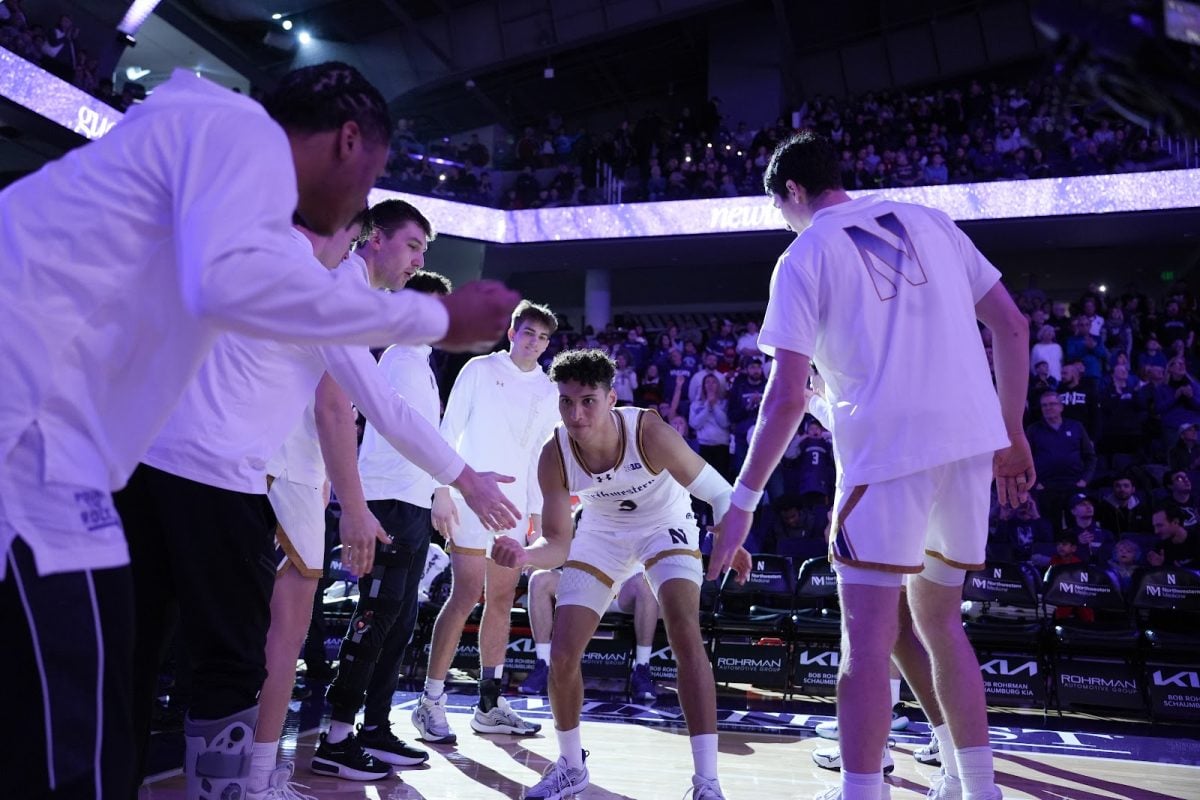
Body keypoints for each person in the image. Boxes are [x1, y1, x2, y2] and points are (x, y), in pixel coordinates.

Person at [0, 61, 518, 800]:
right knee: (180, 675)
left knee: (112, 673)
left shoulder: (227, 180)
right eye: (368, 182)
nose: (360, 209)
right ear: (347, 141)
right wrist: (437, 322)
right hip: (150, 470)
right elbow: (350, 386)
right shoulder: (247, 157)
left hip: (129, 469)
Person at [118, 206, 521, 799]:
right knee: (240, 656)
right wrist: (461, 480)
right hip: (237, 478)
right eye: (408, 245)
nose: (413, 263)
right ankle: (257, 778)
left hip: (151, 464)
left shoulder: (245, 250)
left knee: (142, 654)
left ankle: (209, 775)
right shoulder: (327, 288)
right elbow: (367, 408)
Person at [709, 131, 1031, 800]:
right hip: (971, 448)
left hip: (887, 460)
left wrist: (741, 503)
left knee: (867, 639)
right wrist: (1013, 431)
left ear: (793, 192)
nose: (784, 218)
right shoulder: (933, 222)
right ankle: (979, 789)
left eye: (779, 207)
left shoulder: (806, 252)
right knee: (943, 626)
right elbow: (1012, 325)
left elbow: (787, 396)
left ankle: (863, 792)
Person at [492, 348, 751, 800]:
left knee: (684, 628)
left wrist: (733, 541)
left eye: (588, 400)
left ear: (611, 398)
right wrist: (524, 555)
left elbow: (719, 493)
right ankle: (571, 768)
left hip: (663, 525)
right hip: (601, 533)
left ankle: (707, 783)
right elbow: (556, 543)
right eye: (567, 402)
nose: (576, 413)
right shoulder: (555, 453)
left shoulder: (648, 430)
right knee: (563, 654)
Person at [412, 302, 561, 745]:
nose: (533, 342)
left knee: (500, 600)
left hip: (514, 511)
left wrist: (535, 513)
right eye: (528, 332)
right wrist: (440, 490)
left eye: (542, 337)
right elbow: (448, 428)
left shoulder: (548, 390)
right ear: (512, 331)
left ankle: (489, 704)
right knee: (464, 594)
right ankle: (430, 701)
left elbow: (541, 455)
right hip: (468, 498)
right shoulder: (479, 369)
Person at [519, 568, 661, 701]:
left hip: (623, 590)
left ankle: (642, 668)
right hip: (581, 586)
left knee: (647, 581)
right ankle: (544, 665)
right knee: (539, 579)